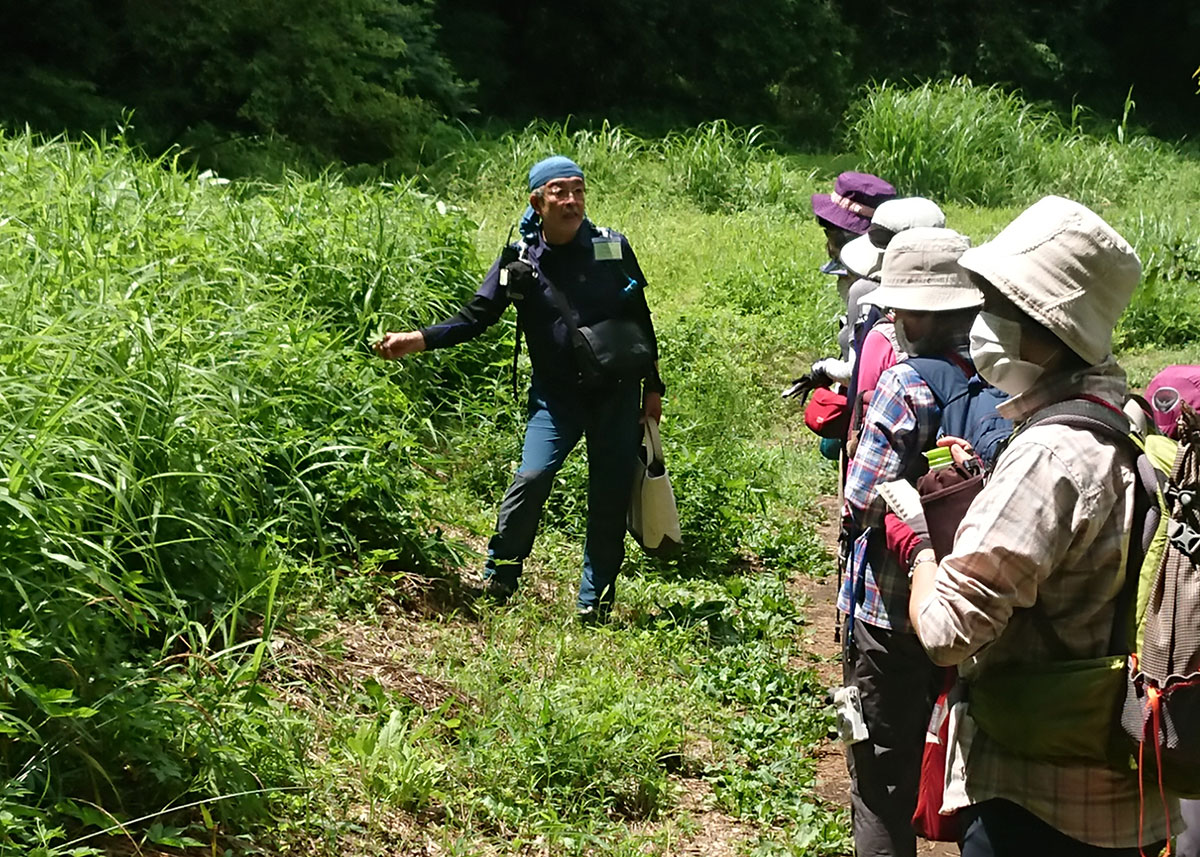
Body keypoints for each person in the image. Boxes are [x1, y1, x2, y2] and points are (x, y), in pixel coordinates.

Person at [907, 196, 1181, 854]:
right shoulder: (1129, 424)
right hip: (1124, 788)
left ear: (1044, 325)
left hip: (1033, 801)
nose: (983, 320)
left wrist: (920, 549)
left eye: (999, 304)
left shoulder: (1048, 453)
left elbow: (948, 631)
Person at [375, 155, 666, 622]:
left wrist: (653, 386)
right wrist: (418, 340)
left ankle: (595, 602)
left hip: (616, 393)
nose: (572, 201)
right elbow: (476, 318)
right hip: (557, 397)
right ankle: (501, 576)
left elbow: (640, 317)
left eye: (578, 190)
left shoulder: (612, 246)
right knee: (531, 477)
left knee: (610, 494)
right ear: (538, 201)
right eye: (560, 192)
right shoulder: (521, 261)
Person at [839, 227, 985, 857]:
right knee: (969, 767)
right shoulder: (1004, 376)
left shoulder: (906, 382)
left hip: (893, 610)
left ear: (923, 313)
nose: (892, 316)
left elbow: (863, 497)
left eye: (899, 305)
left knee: (881, 774)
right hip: (978, 601)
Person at [809, 171, 897, 378]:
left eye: (830, 234)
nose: (828, 247)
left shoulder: (865, 289)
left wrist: (823, 368)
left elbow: (856, 373)